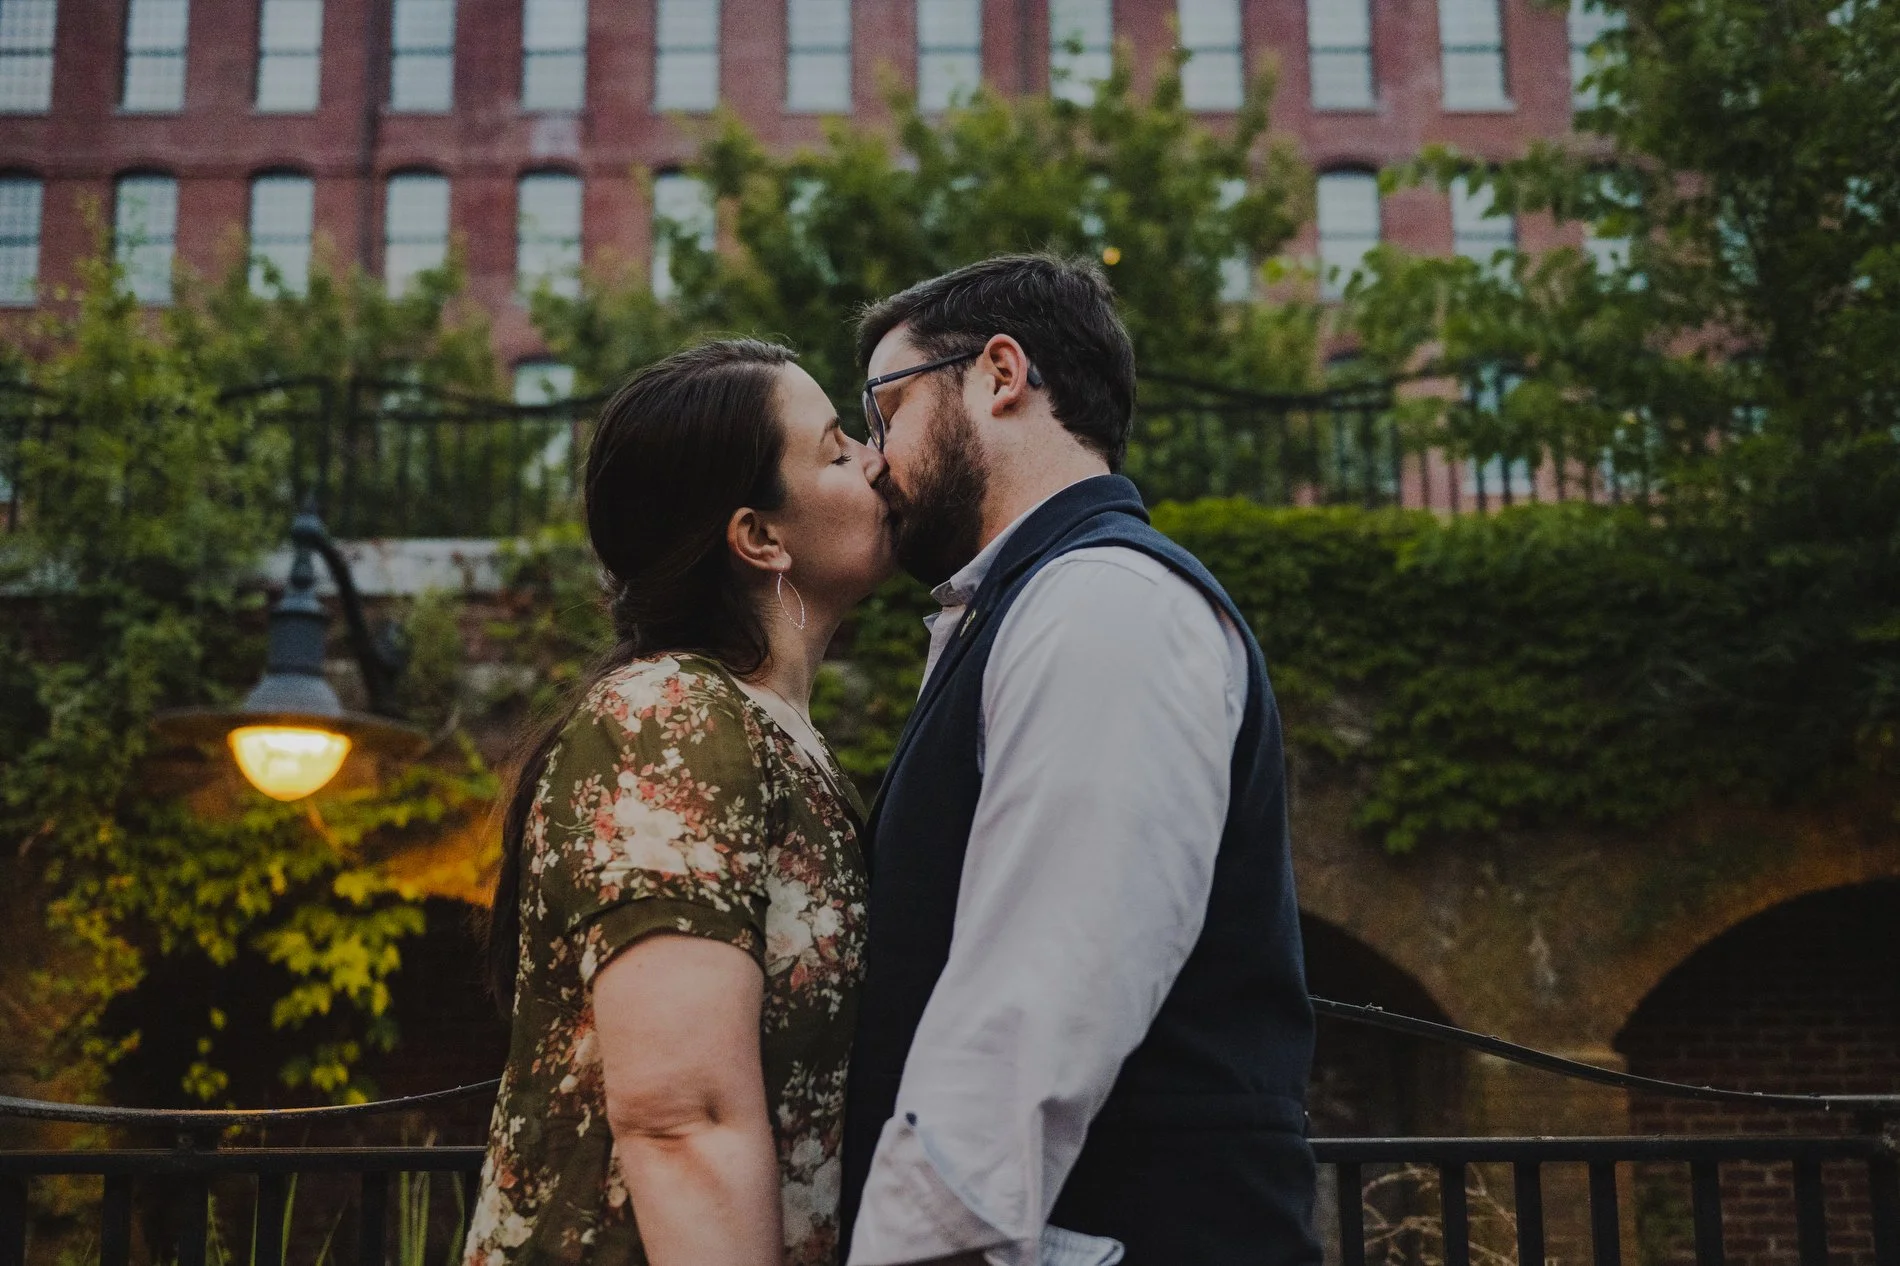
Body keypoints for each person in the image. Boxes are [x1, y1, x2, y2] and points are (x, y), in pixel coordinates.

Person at [840, 255, 1322, 1266]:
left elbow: (1035, 1005)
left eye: (887, 412)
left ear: (1000, 373)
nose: (875, 460)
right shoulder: (1041, 604)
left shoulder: (1105, 604)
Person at [466, 339, 893, 1266]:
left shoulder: (772, 735)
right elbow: (680, 1118)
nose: (875, 456)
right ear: (761, 538)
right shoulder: (673, 718)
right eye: (835, 449)